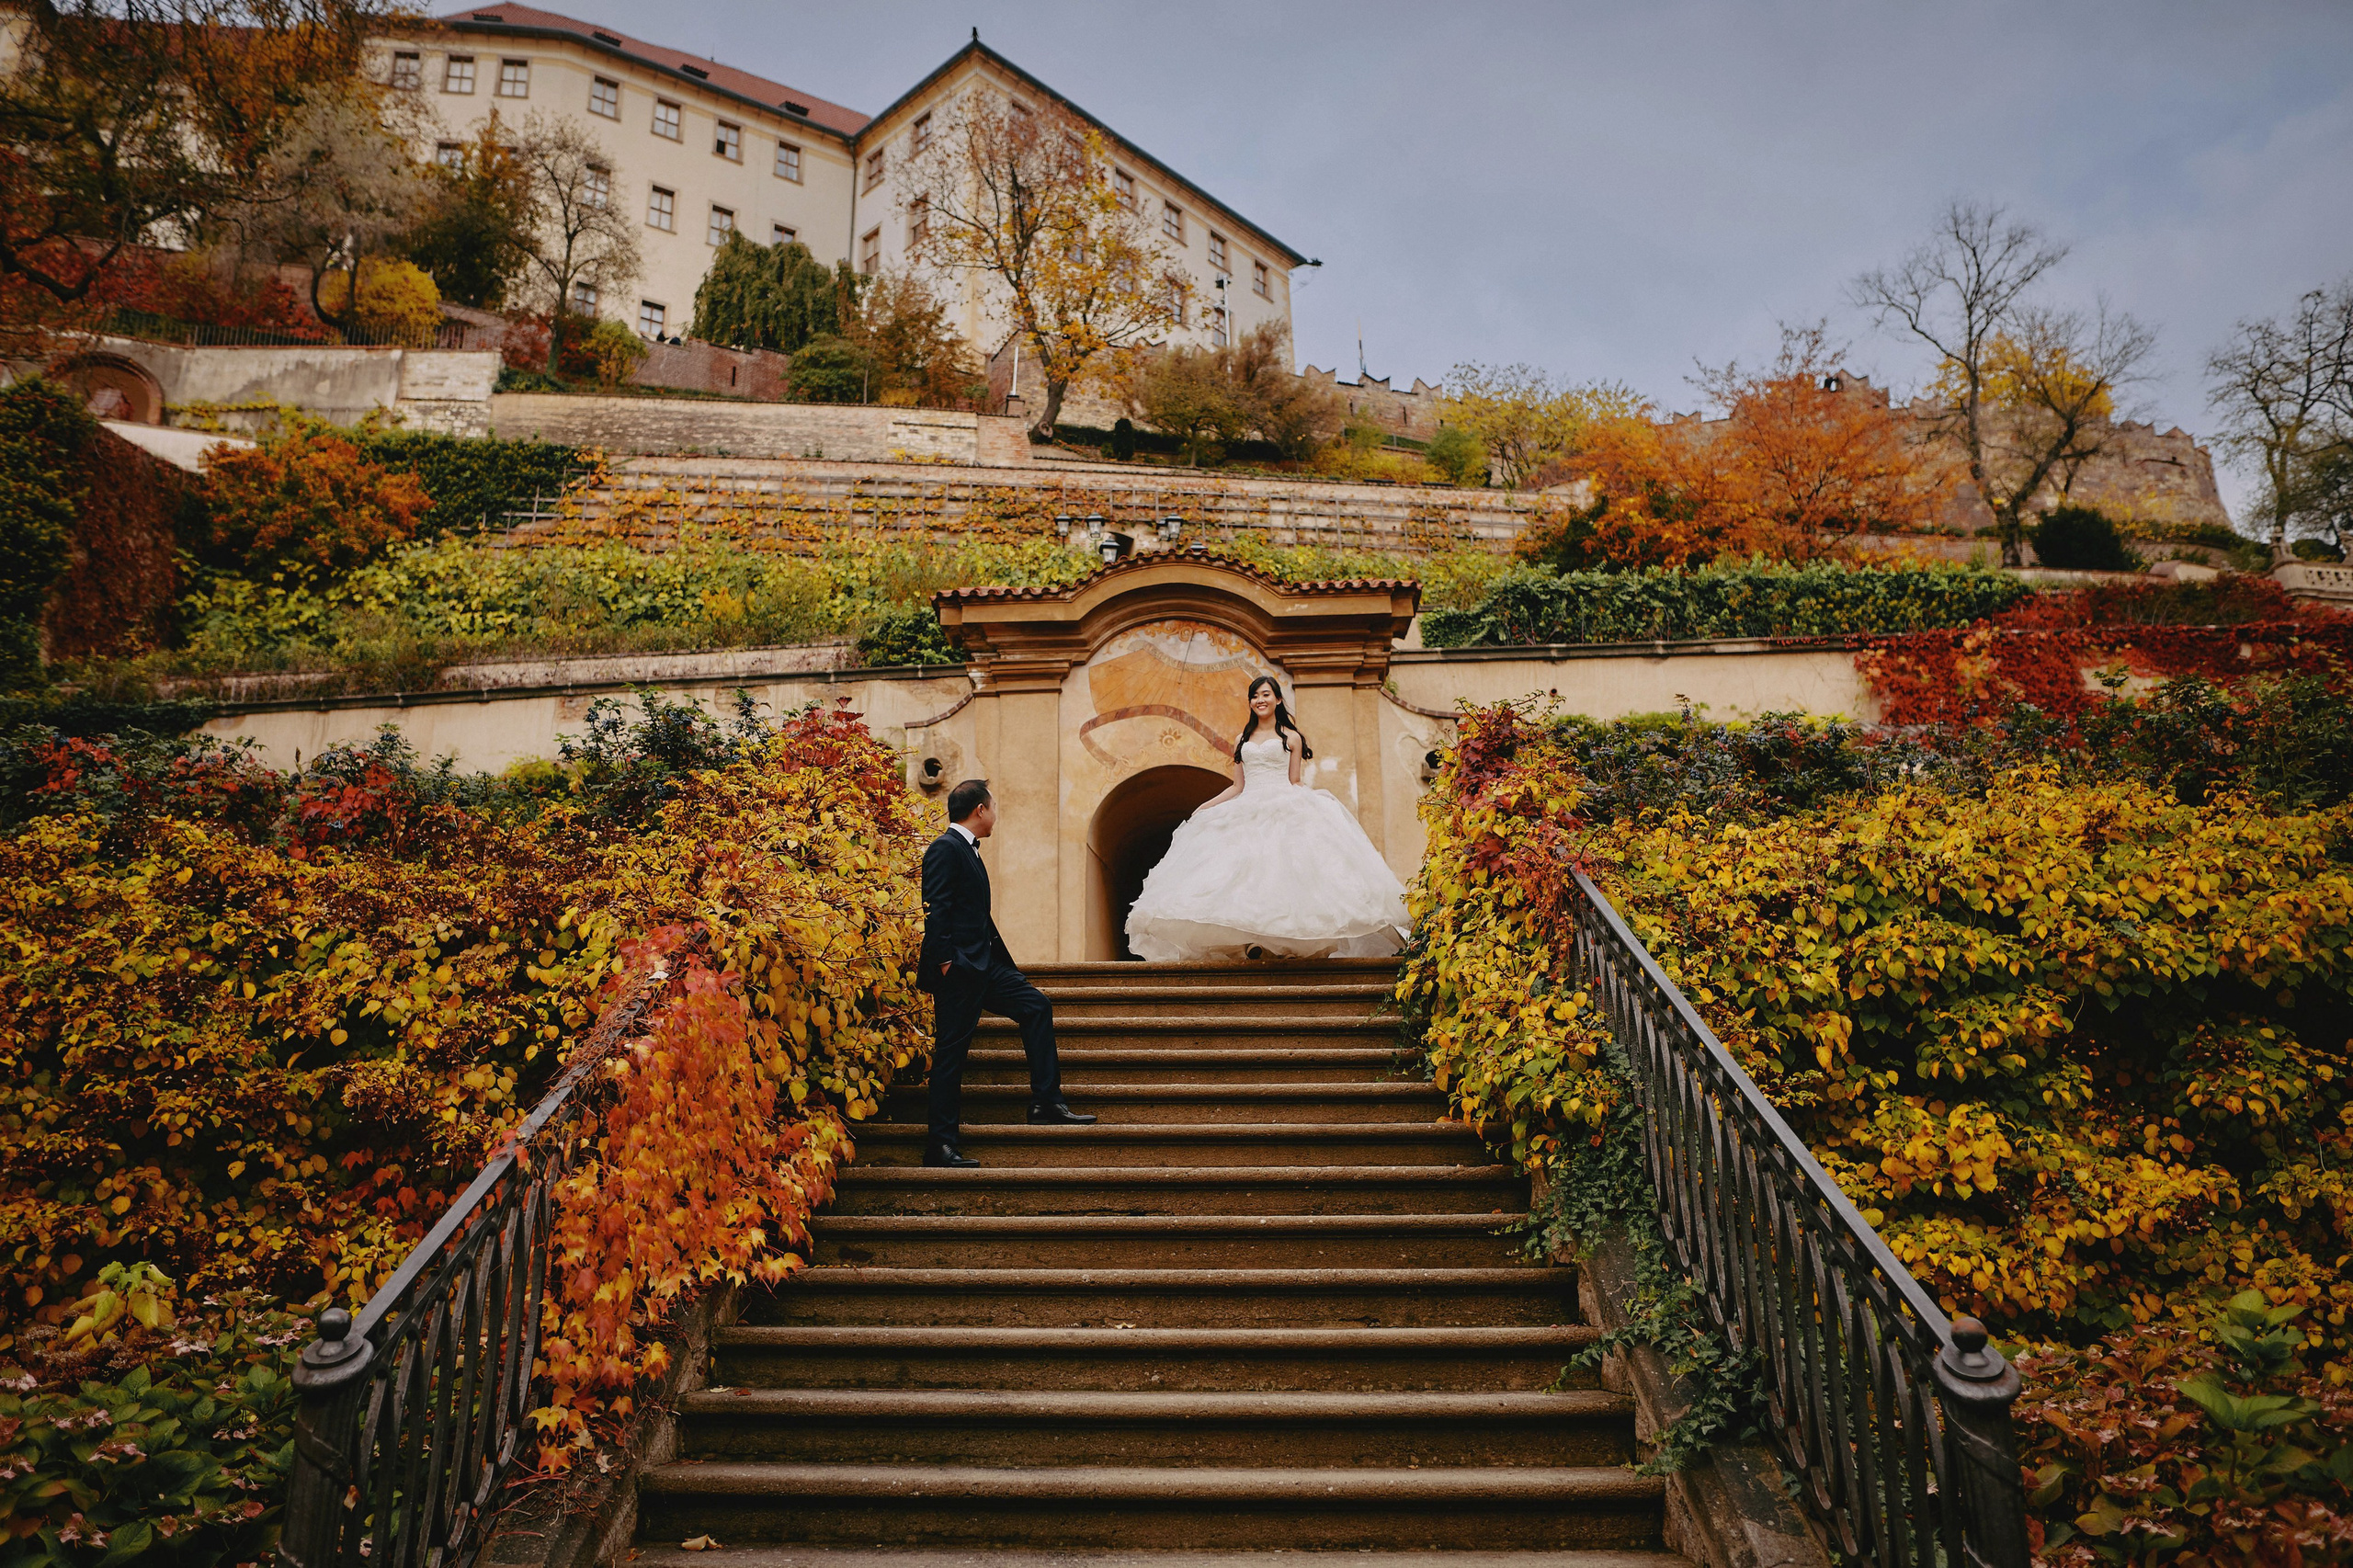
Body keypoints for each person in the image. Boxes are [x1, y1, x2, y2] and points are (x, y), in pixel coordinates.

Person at [1125, 676, 1410, 963]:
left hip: (1283, 803)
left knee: (1283, 874)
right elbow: (1237, 786)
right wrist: (1206, 807)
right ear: (1250, 702)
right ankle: (1250, 942)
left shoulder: (1292, 737)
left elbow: (1294, 781)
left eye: (1265, 694)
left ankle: (1282, 944)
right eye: (1255, 696)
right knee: (1242, 877)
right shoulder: (1242, 739)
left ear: (1277, 699)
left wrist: (1317, 803)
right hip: (1248, 805)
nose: (1260, 700)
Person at [917, 778, 1094, 1167]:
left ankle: (1046, 1103)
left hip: (986, 965)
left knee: (1036, 1007)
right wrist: (946, 963)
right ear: (980, 810)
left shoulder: (968, 850)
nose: (996, 815)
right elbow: (935, 908)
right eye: (994, 807)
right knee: (951, 1056)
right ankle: (940, 1146)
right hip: (959, 971)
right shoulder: (945, 848)